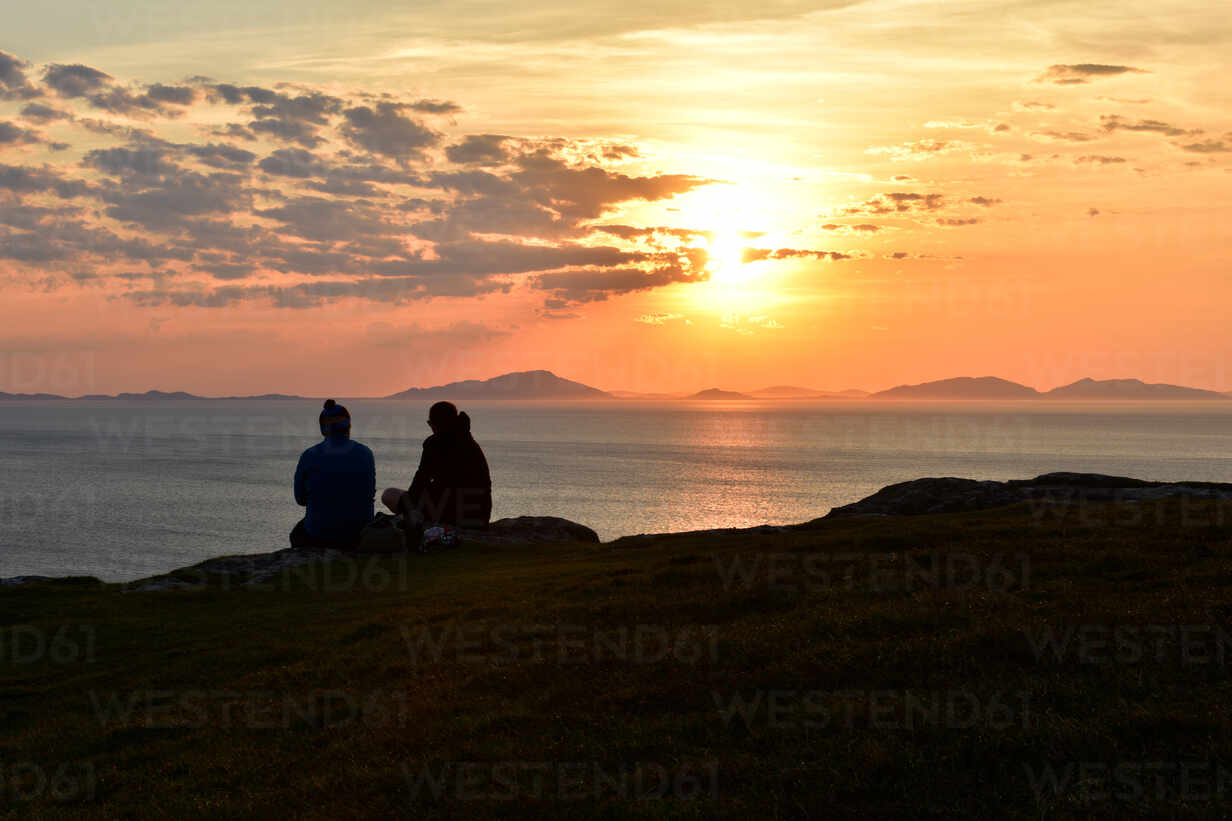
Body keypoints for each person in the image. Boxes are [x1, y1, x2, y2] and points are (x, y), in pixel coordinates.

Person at [382, 401, 492, 530]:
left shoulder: (433, 443)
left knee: (389, 494)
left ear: (433, 424)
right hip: (479, 516)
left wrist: (410, 507)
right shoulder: (470, 443)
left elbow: (420, 480)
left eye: (430, 423)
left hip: (449, 514)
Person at [291, 399, 376, 549]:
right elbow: (369, 494)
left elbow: (300, 499)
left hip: (319, 534)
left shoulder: (309, 455)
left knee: (297, 534)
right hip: (358, 533)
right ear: (349, 426)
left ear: (323, 429)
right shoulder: (366, 454)